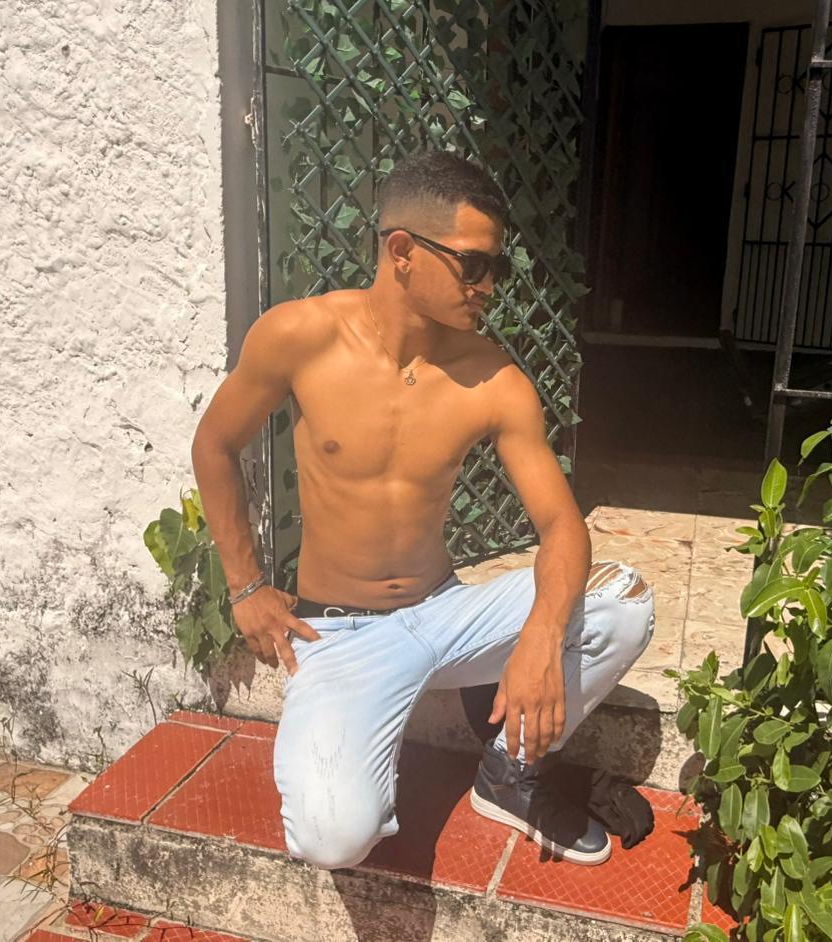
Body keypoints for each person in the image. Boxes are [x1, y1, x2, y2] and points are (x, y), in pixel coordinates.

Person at [190, 150, 654, 869]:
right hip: (338, 634)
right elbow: (216, 445)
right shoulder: (299, 337)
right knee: (333, 840)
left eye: (497, 268)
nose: (488, 286)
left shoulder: (492, 378)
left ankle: (509, 773)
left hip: (444, 612)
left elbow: (562, 524)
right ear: (402, 251)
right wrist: (246, 586)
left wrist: (540, 636)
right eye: (474, 265)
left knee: (623, 602)